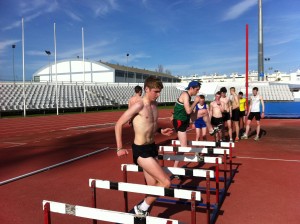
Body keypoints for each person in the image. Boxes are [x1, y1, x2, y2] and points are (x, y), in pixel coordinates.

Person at [115, 76, 173, 216]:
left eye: (159, 92)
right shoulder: (139, 105)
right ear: (146, 89)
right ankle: (141, 209)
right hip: (141, 150)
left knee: (153, 188)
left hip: (152, 147)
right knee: (166, 183)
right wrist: (119, 147)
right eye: (155, 91)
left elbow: (151, 124)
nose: (158, 94)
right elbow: (118, 124)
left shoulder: (155, 105)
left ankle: (143, 214)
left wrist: (160, 130)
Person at [172, 81, 218, 170]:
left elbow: (186, 110)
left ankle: (211, 130)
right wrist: (196, 102)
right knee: (183, 147)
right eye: (197, 90)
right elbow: (188, 111)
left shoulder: (187, 96)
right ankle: (175, 168)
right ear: (191, 88)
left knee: (204, 112)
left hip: (185, 118)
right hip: (179, 122)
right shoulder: (185, 95)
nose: (197, 92)